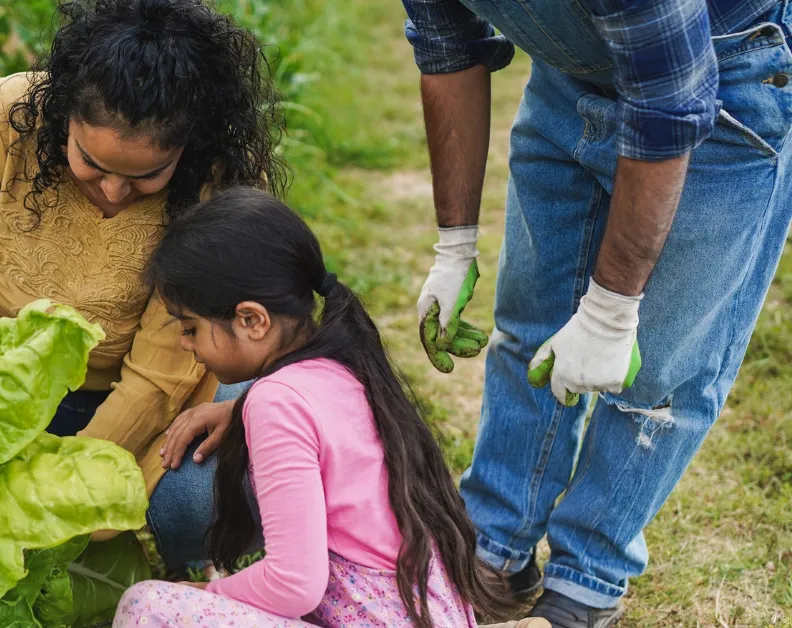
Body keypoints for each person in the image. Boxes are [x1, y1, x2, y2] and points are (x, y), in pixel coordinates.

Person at [401, 0, 792, 625]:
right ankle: (495, 541)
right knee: (530, 325)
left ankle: (587, 577)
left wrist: (611, 311)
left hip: (723, 85)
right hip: (572, 72)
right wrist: (456, 245)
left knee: (658, 376)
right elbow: (447, 46)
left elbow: (670, 103)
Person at [0, 0, 287, 570]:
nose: (115, 191)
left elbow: (156, 380)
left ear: (186, 150)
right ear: (64, 115)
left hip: (152, 394)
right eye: (92, 163)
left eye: (146, 176)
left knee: (197, 504)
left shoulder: (218, 183)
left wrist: (52, 488)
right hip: (11, 358)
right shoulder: (10, 114)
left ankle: (181, 562)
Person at [114, 187, 519, 628]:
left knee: (146, 605)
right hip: (419, 613)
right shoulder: (342, 363)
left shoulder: (276, 403)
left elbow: (293, 584)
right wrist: (238, 413)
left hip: (369, 617)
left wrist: (208, 594)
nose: (184, 343)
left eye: (190, 328)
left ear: (252, 320)